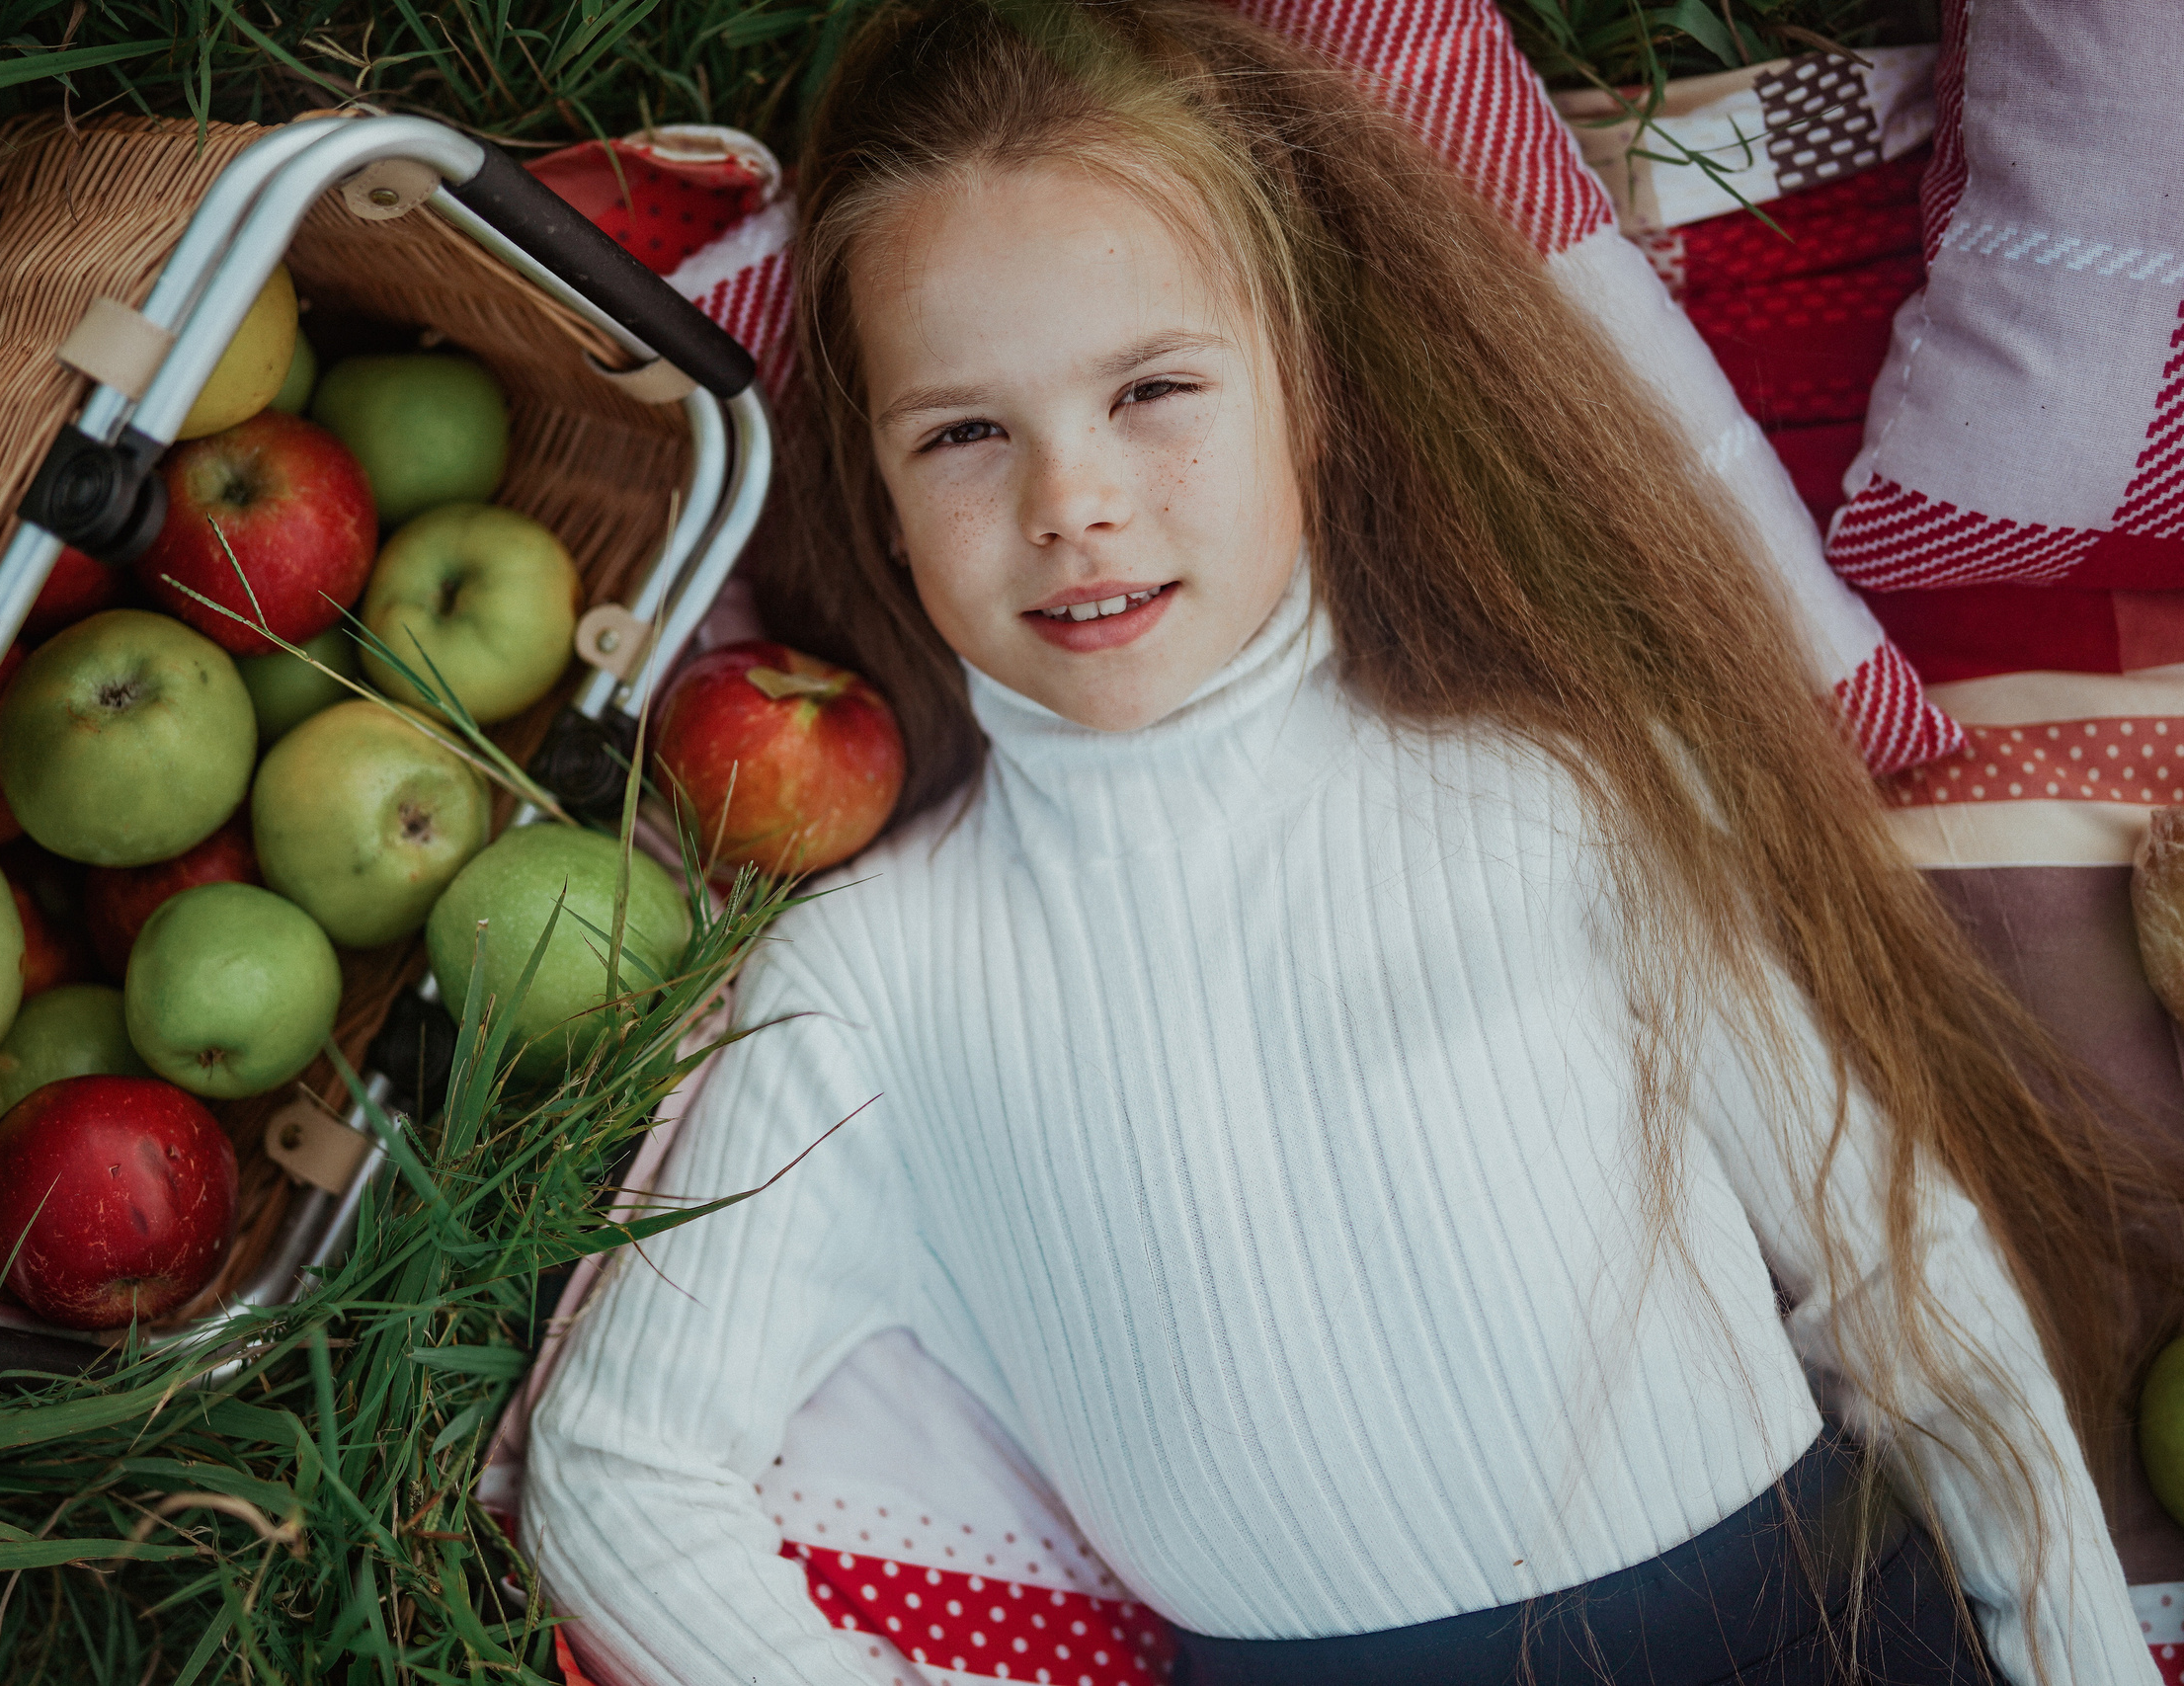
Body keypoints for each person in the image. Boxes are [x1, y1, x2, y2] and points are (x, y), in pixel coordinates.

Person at [520, 1, 2181, 1681]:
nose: (1069, 500)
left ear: (1305, 392)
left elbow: (1894, 1265)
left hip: (1817, 1628)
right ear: (875, 486)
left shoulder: (1570, 792)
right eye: (964, 432)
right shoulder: (864, 982)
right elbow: (616, 1475)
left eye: (1154, 390)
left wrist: (2081, 1658)